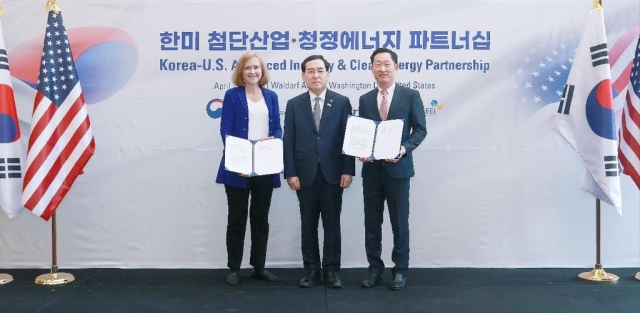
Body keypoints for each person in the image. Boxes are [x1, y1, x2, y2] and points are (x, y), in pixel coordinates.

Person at [283, 55, 355, 288]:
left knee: (332, 224)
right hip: (304, 174)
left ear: (328, 74)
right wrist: (290, 173)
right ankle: (312, 269)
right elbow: (289, 141)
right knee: (308, 223)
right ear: (303, 76)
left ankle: (331, 270)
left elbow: (349, 139)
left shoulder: (342, 102)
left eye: (320, 70)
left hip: (334, 173)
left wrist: (348, 169)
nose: (316, 75)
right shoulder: (294, 104)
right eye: (310, 71)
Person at [358, 48, 427, 290]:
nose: (382, 68)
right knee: (372, 223)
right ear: (372, 69)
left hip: (398, 170)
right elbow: (364, 133)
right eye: (377, 64)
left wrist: (404, 148)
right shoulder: (365, 99)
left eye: (387, 64)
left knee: (399, 223)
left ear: (396, 67)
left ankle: (400, 270)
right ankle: (374, 269)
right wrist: (361, 150)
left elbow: (420, 130)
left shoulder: (410, 95)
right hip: (372, 172)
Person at [215, 51, 282, 286]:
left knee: (260, 219)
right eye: (248, 68)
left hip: (265, 167)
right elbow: (226, 131)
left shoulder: (271, 96)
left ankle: (259, 267)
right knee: (237, 219)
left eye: (256, 67)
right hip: (237, 169)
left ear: (262, 71)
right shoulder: (232, 96)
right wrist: (240, 162)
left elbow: (278, 130)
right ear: (241, 72)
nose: (253, 71)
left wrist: (272, 140)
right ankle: (234, 268)